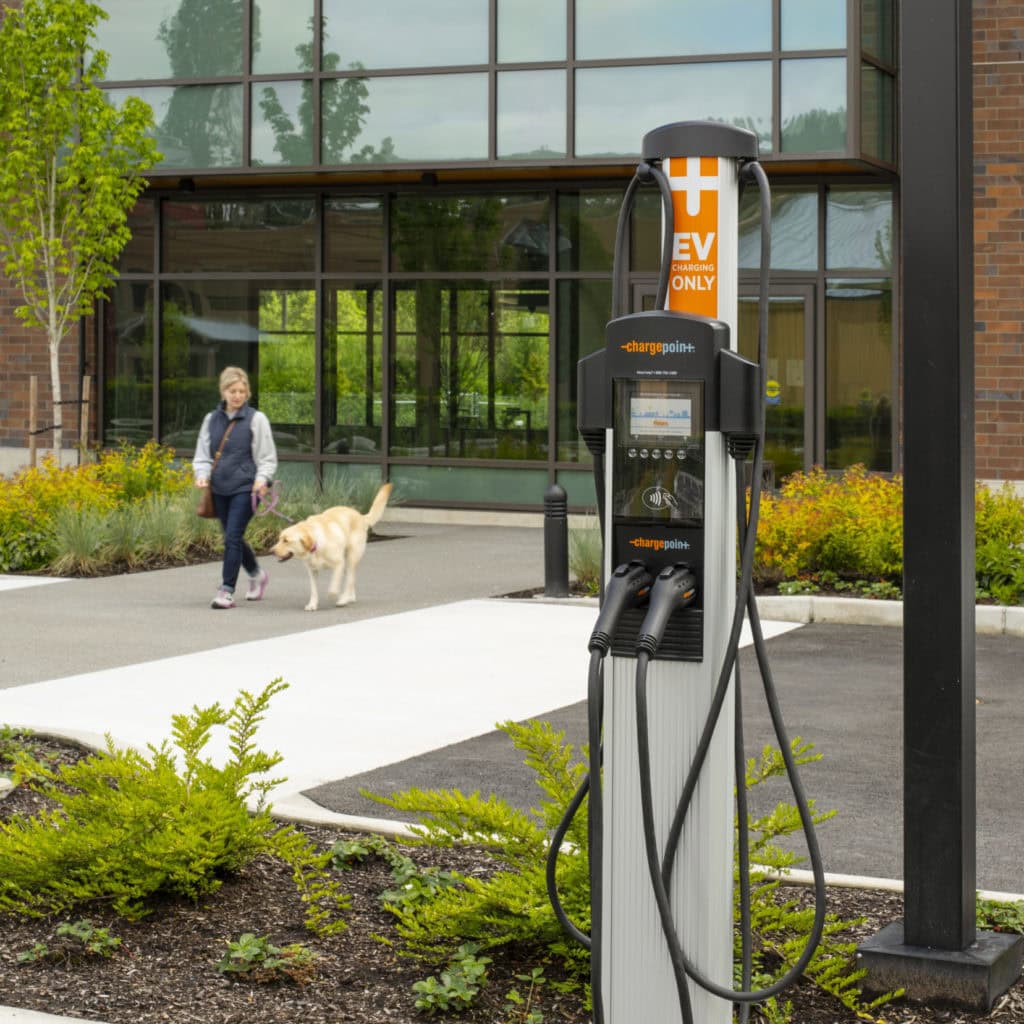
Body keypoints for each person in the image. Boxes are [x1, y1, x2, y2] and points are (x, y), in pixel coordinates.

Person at [192, 366, 278, 610]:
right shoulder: (211, 420)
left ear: (247, 392)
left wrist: (262, 479)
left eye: (241, 391)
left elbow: (267, 457)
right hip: (219, 488)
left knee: (232, 536)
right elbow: (202, 454)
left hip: (248, 488)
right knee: (233, 537)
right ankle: (257, 574)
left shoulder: (257, 419)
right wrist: (202, 475)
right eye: (232, 391)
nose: (237, 395)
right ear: (223, 392)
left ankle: (226, 591)